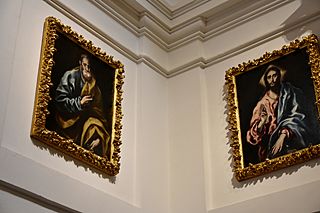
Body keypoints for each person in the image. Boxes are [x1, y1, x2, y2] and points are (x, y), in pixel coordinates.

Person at [246, 64, 320, 162]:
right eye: (269, 77)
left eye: (274, 75)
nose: (272, 79)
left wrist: (283, 135)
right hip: (271, 148)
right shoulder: (262, 104)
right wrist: (262, 122)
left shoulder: (290, 92)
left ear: (279, 76)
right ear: (266, 80)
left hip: (292, 139)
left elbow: (298, 116)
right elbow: (253, 136)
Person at [55, 54, 112, 159]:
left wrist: (99, 137)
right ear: (80, 64)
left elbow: (99, 115)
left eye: (89, 66)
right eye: (85, 65)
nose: (87, 69)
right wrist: (79, 103)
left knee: (93, 123)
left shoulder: (95, 88)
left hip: (84, 126)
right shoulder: (70, 76)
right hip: (68, 123)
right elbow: (59, 100)